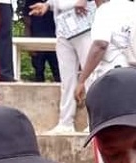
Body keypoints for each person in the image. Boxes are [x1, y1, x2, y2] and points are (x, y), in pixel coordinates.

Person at [27, 0, 93, 134]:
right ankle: (66, 122)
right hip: (62, 24)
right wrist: (48, 5)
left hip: (84, 19)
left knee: (90, 74)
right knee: (66, 78)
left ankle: (94, 121)